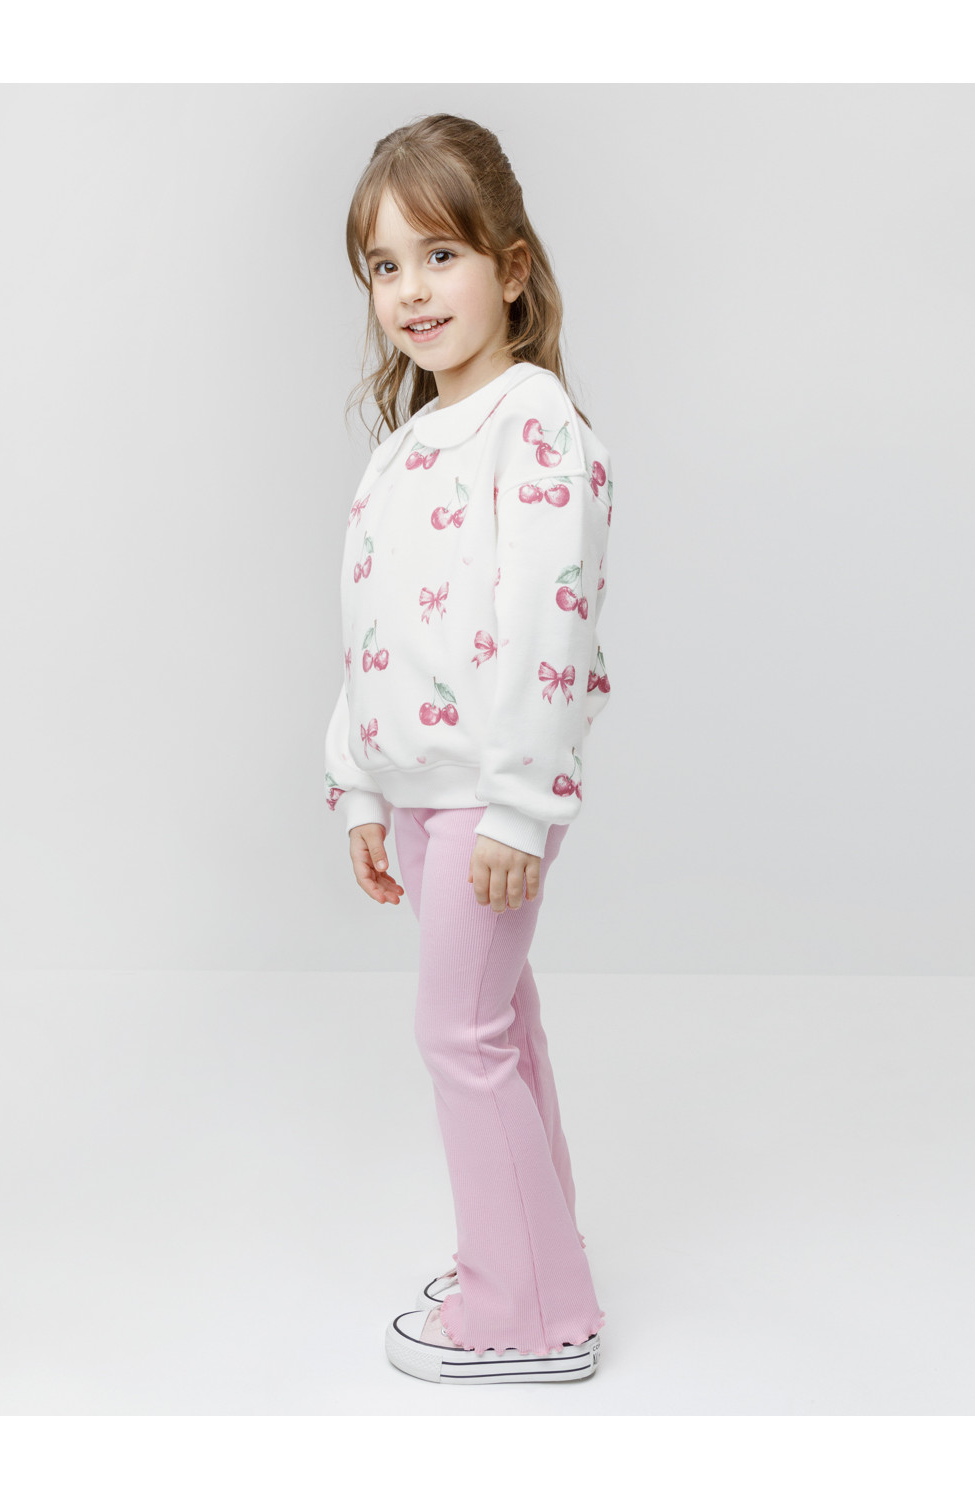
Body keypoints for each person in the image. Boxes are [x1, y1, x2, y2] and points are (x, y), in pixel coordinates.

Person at [324, 113, 614, 1386]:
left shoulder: (532, 425)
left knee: (460, 1033)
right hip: (428, 792)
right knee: (499, 1024)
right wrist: (357, 785)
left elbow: (549, 623)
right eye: (384, 267)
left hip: (491, 796)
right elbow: (372, 629)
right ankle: (533, 1252)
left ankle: (526, 1314)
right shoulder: (404, 448)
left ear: (511, 267)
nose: (411, 290)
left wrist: (515, 807)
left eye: (439, 255)